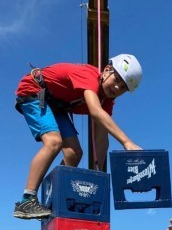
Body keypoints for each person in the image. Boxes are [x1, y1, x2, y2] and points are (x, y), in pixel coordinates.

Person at [13, 54, 143, 220]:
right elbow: (96, 112)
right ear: (107, 70)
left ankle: (54, 202)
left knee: (74, 154)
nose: (117, 88)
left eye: (123, 88)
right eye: (117, 80)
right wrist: (126, 141)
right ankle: (27, 200)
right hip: (35, 89)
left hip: (56, 104)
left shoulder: (107, 100)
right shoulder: (89, 75)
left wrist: (98, 174)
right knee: (54, 142)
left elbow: (101, 137)